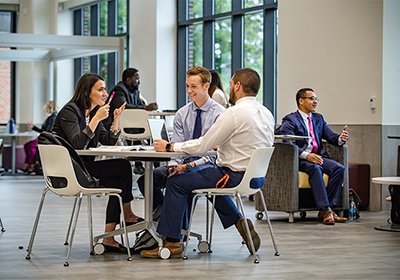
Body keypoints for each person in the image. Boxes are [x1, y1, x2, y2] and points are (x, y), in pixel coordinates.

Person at [140, 68, 275, 259]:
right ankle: (235, 221)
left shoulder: (233, 114)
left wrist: (170, 146)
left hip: (232, 175)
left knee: (176, 182)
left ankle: (172, 242)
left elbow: (204, 144)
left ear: (237, 86)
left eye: (230, 85)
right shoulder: (266, 113)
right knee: (199, 179)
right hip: (256, 178)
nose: (228, 88)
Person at [52, 73, 143, 253]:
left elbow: (107, 140)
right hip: (70, 171)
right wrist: (95, 120)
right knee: (123, 166)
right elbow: (78, 143)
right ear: (87, 93)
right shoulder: (70, 112)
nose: (105, 93)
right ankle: (128, 213)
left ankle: (109, 238)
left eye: (104, 89)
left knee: (117, 183)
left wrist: (115, 120)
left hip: (83, 167)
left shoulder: (93, 113)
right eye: (100, 89)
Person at [137, 66, 225, 219]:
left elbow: (214, 153)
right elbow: (176, 146)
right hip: (183, 163)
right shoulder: (182, 114)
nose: (189, 90)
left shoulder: (220, 114)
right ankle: (164, 215)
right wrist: (173, 166)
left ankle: (173, 229)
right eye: (187, 86)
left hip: (207, 165)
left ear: (206, 86)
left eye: (193, 87)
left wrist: (188, 166)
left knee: (183, 179)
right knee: (147, 180)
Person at [279, 88, 349, 225]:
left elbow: (331, 137)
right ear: (301, 101)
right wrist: (306, 155)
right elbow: (288, 142)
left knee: (339, 168)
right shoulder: (290, 119)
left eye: (316, 99)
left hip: (318, 156)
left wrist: (341, 138)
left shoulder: (318, 118)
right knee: (316, 169)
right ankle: (325, 210)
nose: (315, 101)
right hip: (300, 159)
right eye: (312, 98)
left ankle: (330, 210)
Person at [103, 67, 158, 174]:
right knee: (136, 130)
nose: (139, 81)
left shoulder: (135, 91)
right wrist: (145, 108)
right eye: (136, 78)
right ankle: (140, 164)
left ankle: (153, 164)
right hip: (116, 124)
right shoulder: (119, 90)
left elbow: (139, 105)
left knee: (149, 132)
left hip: (131, 125)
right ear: (128, 79)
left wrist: (147, 106)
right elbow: (124, 106)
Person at [23, 100, 57, 174]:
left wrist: (35, 130)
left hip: (46, 139)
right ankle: (30, 164)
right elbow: (44, 130)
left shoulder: (52, 118)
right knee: (27, 145)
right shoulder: (51, 117)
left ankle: (32, 164)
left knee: (29, 146)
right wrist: (33, 127)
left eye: (46, 107)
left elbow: (47, 132)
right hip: (44, 138)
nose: (45, 109)